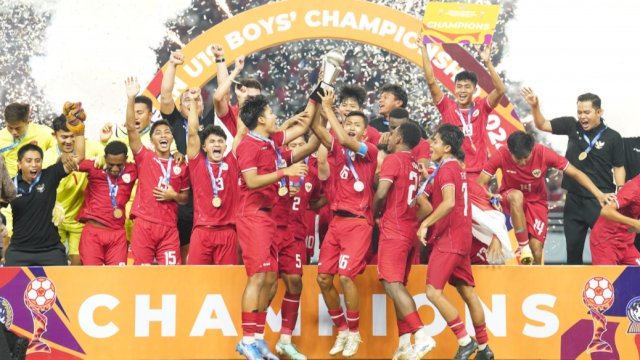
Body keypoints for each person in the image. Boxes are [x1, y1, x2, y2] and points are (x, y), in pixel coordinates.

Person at [234, 95, 317, 360]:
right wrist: (286, 172)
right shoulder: (248, 145)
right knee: (257, 278)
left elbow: (302, 128)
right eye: (270, 112)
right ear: (260, 119)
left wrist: (320, 92)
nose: (274, 117)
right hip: (253, 215)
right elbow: (252, 180)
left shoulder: (270, 142)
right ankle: (246, 340)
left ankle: (258, 341)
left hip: (267, 217)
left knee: (269, 279)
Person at [521, 87, 625, 264]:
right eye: (579, 112)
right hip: (574, 200)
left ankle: (609, 288)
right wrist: (535, 106)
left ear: (599, 111)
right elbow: (542, 124)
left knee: (605, 250)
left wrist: (621, 194)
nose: (582, 117)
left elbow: (619, 167)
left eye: (587, 112)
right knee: (573, 254)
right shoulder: (571, 126)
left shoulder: (613, 136)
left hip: (600, 199)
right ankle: (575, 291)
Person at [311, 89, 378, 358]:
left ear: (364, 132)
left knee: (346, 276)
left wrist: (330, 109)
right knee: (323, 278)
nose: (350, 127)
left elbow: (340, 137)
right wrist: (317, 100)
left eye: (356, 125)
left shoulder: (369, 150)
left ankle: (354, 332)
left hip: (359, 224)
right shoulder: (337, 147)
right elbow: (316, 127)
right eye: (348, 123)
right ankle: (341, 328)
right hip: (337, 223)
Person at [416, 124, 492, 360]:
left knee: (433, 292)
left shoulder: (448, 169)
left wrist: (425, 223)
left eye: (435, 141)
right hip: (462, 239)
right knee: (468, 292)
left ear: (447, 147)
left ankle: (464, 340)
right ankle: (483, 347)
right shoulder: (456, 168)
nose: (430, 144)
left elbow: (448, 203)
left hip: (448, 239)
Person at [478, 131, 611, 265]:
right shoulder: (501, 154)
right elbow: (480, 183)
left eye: (526, 157)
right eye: (518, 158)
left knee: (536, 250)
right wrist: (490, 196)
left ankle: (534, 282)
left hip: (537, 202)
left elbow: (575, 173)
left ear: (532, 149)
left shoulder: (543, 153)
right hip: (510, 197)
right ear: (510, 152)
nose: (523, 162)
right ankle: (524, 248)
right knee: (517, 196)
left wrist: (599, 194)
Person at [372, 121, 436, 360]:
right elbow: (424, 205)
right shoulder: (414, 164)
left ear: (399, 139)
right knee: (396, 285)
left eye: (394, 132)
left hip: (394, 229)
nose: (390, 135)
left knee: (392, 284)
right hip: (409, 230)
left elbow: (381, 193)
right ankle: (403, 344)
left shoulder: (394, 160)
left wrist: (374, 214)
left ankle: (421, 334)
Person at [272, 134, 325, 360]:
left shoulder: (312, 174)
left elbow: (318, 199)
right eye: (292, 145)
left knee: (295, 283)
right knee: (267, 285)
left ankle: (285, 340)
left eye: (300, 145)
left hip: (296, 235)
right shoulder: (274, 171)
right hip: (272, 232)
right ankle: (253, 339)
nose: (297, 149)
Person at [126, 77, 190, 265]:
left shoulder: (180, 164)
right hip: (144, 225)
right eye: (158, 133)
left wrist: (174, 196)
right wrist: (131, 98)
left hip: (169, 228)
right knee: (141, 274)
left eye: (167, 132)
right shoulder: (144, 157)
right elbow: (131, 128)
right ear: (152, 140)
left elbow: (185, 197)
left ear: (172, 138)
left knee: (171, 275)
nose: (163, 135)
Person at [160, 50, 216, 264]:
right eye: (187, 101)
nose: (193, 104)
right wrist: (173, 65)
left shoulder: (211, 122)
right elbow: (165, 96)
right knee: (182, 249)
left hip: (207, 193)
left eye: (198, 101)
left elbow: (221, 98)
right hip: (181, 194)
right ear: (180, 106)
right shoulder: (174, 122)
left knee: (204, 250)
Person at [4, 121, 85, 266]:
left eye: (37, 161)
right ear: (19, 164)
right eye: (28, 161)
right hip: (19, 251)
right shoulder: (10, 185)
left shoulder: (50, 175)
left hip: (50, 250)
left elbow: (78, 157)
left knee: (64, 287)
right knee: (10, 287)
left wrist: (79, 132)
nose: (34, 165)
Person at [185, 93, 242, 265]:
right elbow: (193, 132)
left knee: (226, 282)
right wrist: (194, 103)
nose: (216, 144)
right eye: (212, 142)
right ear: (204, 147)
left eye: (220, 141)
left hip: (228, 232)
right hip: (202, 231)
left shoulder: (232, 162)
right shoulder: (197, 163)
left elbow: (242, 132)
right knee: (195, 280)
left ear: (226, 146)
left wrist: (241, 99)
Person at [43, 110, 103, 265]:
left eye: (72, 136)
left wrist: (102, 158)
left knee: (77, 263)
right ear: (54, 135)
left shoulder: (91, 147)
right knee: (54, 264)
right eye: (64, 137)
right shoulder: (46, 157)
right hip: (55, 219)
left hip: (79, 219)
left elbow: (109, 154)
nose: (69, 141)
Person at [1, 103, 56, 258]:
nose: (13, 132)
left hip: (38, 192)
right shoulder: (1, 137)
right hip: (11, 193)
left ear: (27, 121)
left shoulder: (43, 133)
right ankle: (7, 271)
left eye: (17, 128)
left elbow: (60, 148)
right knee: (7, 234)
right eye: (9, 127)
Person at [76, 141, 137, 265]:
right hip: (93, 233)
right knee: (92, 278)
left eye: (119, 165)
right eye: (111, 164)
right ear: (105, 159)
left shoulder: (133, 169)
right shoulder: (95, 166)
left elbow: (153, 163)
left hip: (117, 235)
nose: (115, 169)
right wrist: (79, 133)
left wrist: (175, 154)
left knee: (116, 280)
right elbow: (74, 162)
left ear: (126, 159)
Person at [212, 44, 262, 137]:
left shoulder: (264, 120)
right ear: (240, 94)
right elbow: (221, 96)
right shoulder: (230, 113)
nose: (254, 102)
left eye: (257, 98)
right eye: (250, 97)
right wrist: (221, 60)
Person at [589, 174, 640, 265]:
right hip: (606, 241)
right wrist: (635, 223)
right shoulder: (633, 188)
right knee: (608, 278)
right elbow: (606, 211)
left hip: (627, 243)